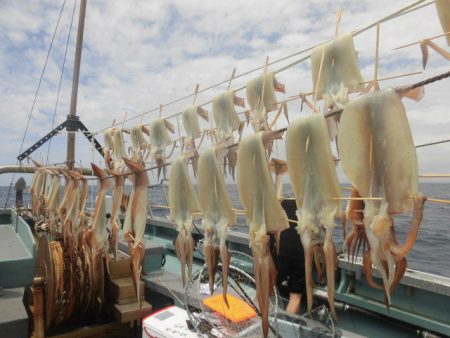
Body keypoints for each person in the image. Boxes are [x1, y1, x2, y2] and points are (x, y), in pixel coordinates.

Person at [274, 198, 306, 314]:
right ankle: (286, 330)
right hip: (300, 250)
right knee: (295, 296)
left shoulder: (283, 201)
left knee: (266, 289)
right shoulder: (311, 204)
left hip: (280, 247)